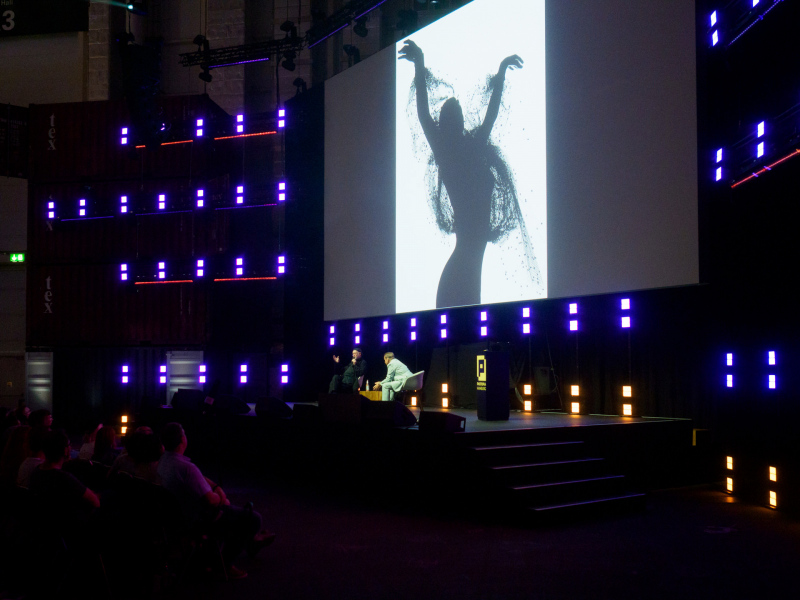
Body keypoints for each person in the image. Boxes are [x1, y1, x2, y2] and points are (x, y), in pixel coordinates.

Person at [399, 39, 540, 308]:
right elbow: (423, 114)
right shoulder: (448, 153)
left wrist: (500, 73)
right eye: (454, 113)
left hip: (469, 262)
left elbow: (491, 115)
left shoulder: (474, 147)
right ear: (447, 122)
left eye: (459, 111)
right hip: (464, 262)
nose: (460, 114)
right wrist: (419, 64)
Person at [157, 423, 274, 580]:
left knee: (232, 511)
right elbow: (212, 501)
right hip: (199, 520)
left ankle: (251, 541)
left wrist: (215, 487)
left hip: (175, 519)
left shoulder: (163, 462)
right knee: (254, 518)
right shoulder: (187, 468)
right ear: (182, 440)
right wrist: (220, 495)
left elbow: (199, 478)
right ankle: (225, 563)